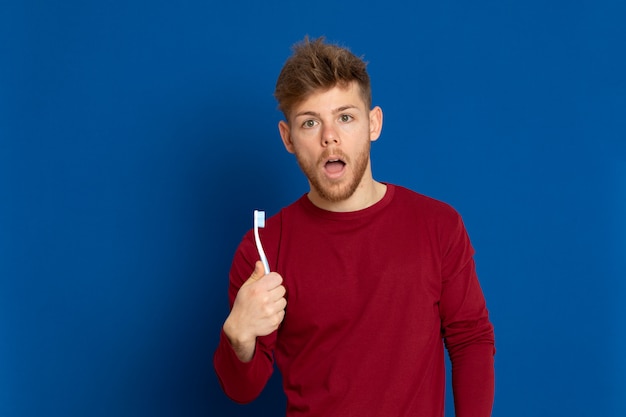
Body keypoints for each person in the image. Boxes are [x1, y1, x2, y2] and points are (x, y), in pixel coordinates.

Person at [214, 37, 495, 417]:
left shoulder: (438, 225)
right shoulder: (264, 248)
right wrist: (239, 336)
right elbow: (242, 390)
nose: (329, 136)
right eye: (310, 123)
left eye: (345, 117)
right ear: (288, 139)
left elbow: (471, 340)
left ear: (373, 124)